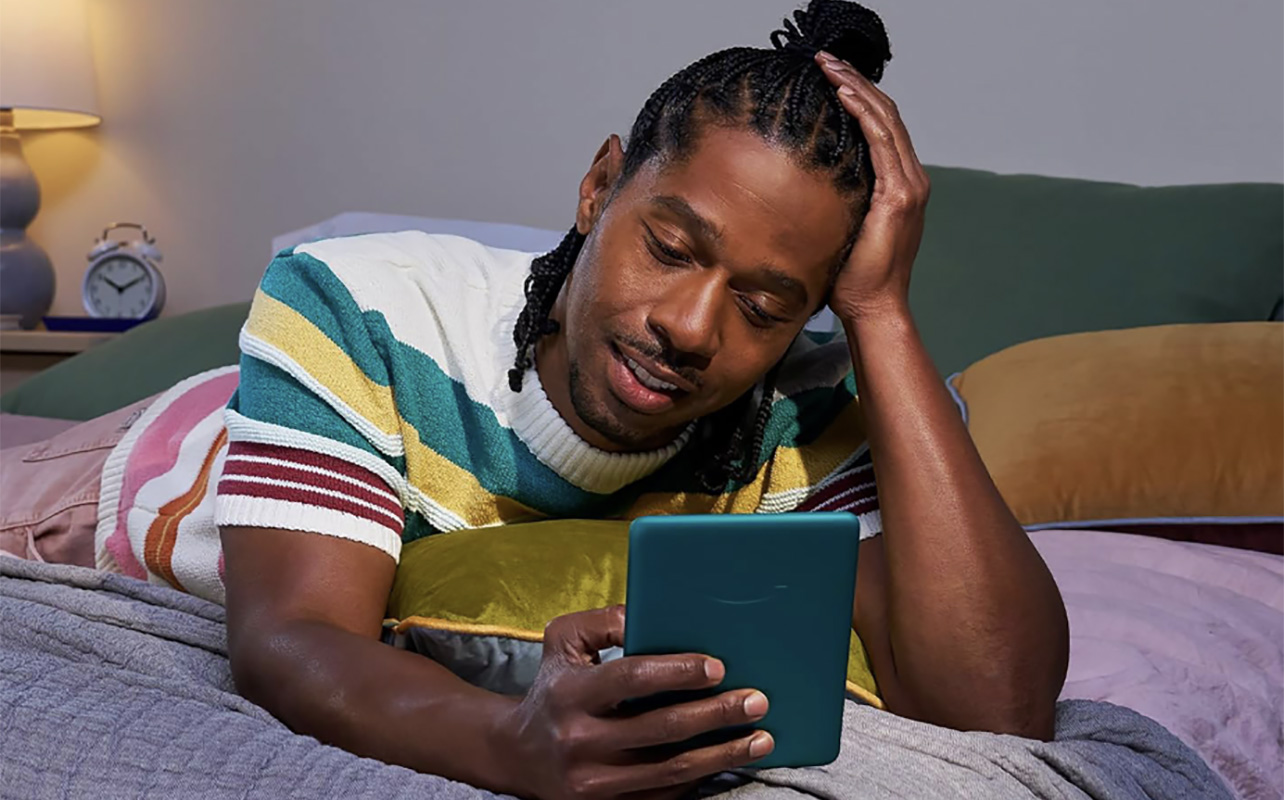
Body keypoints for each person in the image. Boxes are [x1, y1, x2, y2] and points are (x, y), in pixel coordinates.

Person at [0, 2, 1068, 797]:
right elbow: (289, 636)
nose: (692, 327)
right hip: (133, 475)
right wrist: (507, 743)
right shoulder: (365, 301)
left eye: (764, 301)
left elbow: (999, 705)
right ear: (600, 185)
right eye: (670, 246)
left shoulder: (833, 401)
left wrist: (882, 313)